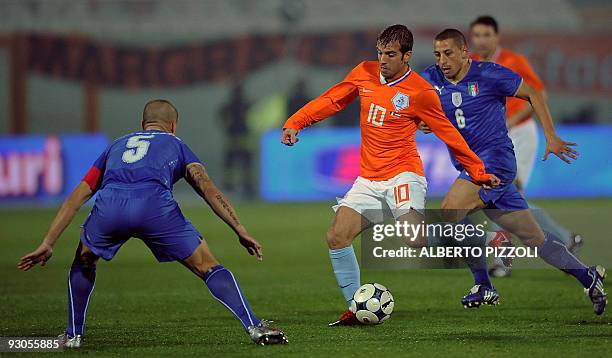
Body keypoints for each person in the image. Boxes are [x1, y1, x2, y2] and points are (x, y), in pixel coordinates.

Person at [18, 99, 288, 347]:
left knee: (84, 260)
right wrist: (239, 229)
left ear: (142, 124)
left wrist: (48, 242)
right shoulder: (177, 144)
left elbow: (79, 195)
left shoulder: (116, 145)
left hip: (111, 208)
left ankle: (73, 335)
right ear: (173, 125)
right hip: (155, 208)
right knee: (208, 266)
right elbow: (207, 188)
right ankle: (255, 327)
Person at [281, 24, 500, 326]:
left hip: (402, 174)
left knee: (415, 240)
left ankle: (480, 240)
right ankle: (356, 309)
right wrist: (296, 122)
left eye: (391, 54)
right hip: (368, 179)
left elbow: (449, 134)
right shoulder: (364, 73)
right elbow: (333, 99)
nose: (382, 60)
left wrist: (478, 171)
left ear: (407, 56)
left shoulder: (420, 92)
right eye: (380, 53)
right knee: (336, 236)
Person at [419, 29, 606, 315]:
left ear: (464, 52)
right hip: (472, 166)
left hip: (495, 162)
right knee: (535, 239)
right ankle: (588, 276)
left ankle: (483, 285)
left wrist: (551, 136)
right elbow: (418, 108)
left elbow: (532, 93)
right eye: (437, 54)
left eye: (448, 53)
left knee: (451, 209)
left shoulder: (490, 74)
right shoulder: (431, 78)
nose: (442, 60)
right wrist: (423, 121)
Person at [470, 15, 583, 277]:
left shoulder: (514, 61)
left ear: (496, 37)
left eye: (487, 34)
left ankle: (502, 261)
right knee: (507, 197)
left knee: (501, 193)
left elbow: (538, 93)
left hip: (520, 134)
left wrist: (512, 120)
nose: (482, 40)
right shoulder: (471, 65)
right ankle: (565, 240)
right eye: (477, 35)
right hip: (493, 139)